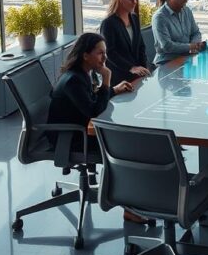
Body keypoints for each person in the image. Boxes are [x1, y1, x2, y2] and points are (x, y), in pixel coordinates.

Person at [46, 33, 147, 224]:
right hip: (69, 139)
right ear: (85, 55)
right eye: (100, 53)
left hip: (77, 130)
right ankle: (130, 208)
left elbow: (90, 101)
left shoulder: (82, 73)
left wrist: (112, 90)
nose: (105, 58)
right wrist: (107, 81)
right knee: (123, 150)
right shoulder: (74, 80)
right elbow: (93, 110)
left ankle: (133, 202)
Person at [99, 0, 151, 86]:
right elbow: (110, 53)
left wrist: (143, 68)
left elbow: (140, 46)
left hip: (137, 74)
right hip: (119, 77)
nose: (135, 2)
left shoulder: (134, 19)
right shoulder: (108, 23)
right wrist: (131, 68)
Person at [152, 0, 206, 65]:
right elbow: (167, 46)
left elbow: (195, 32)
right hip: (167, 62)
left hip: (186, 58)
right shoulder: (160, 17)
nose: (186, 0)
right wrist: (191, 46)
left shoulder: (186, 11)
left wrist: (195, 45)